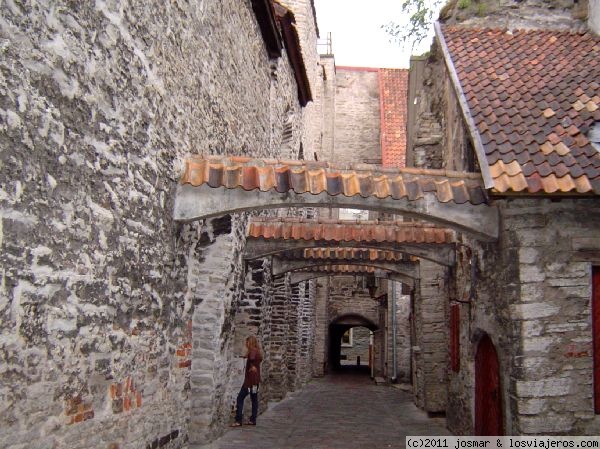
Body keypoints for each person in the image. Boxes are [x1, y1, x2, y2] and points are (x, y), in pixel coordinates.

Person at [231, 335, 263, 427]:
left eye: (247, 342)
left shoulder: (253, 351)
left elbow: (252, 358)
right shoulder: (257, 351)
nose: (246, 344)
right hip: (255, 380)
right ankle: (253, 419)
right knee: (254, 399)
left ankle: (238, 420)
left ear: (250, 343)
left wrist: (251, 365)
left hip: (250, 381)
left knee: (240, 398)